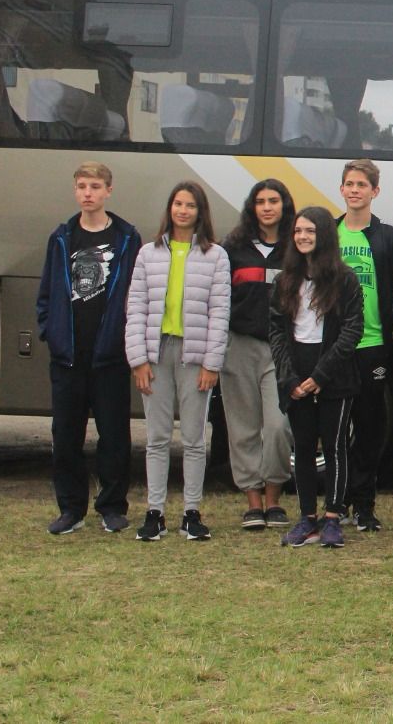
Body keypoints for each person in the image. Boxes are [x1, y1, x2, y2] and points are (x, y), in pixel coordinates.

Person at [39, 161, 141, 535]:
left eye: (95, 186)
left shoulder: (127, 238)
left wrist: (126, 338)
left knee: (114, 436)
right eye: (82, 186)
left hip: (110, 356)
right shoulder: (62, 237)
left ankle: (112, 507)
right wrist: (50, 331)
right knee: (65, 436)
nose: (88, 193)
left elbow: (137, 292)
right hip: (68, 357)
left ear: (108, 191)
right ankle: (70, 509)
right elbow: (47, 293)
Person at [125, 181, 231, 542]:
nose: (183, 210)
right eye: (177, 204)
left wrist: (212, 363)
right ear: (169, 208)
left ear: (201, 212)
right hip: (157, 354)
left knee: (193, 438)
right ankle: (154, 512)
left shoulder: (215, 256)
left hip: (195, 355)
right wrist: (138, 359)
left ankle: (191, 512)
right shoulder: (147, 253)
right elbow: (136, 306)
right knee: (156, 438)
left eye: (190, 205)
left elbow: (219, 313)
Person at [271, 207, 364, 549]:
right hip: (296, 372)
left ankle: (332, 518)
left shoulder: (345, 280)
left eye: (310, 231)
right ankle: (306, 518)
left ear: (324, 234)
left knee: (336, 446)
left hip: (334, 374)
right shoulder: (285, 280)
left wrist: (321, 375)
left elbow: (352, 331)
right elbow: (277, 331)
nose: (303, 237)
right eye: (298, 231)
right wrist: (290, 376)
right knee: (304, 447)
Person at [221, 178, 296, 530]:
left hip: (281, 350)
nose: (267, 207)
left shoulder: (296, 248)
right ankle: (253, 502)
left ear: (284, 206)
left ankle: (274, 499)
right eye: (261, 201)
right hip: (239, 345)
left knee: (279, 425)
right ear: (253, 207)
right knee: (243, 428)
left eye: (274, 200)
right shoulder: (233, 247)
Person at [335, 159, 393, 533]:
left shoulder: (389, 237)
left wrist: (381, 332)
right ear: (342, 190)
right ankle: (336, 500)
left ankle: (364, 504)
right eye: (349, 184)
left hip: (373, 345)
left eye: (362, 184)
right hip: (334, 348)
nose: (355, 190)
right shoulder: (328, 233)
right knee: (335, 427)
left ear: (374, 191)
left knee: (370, 428)